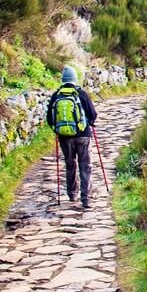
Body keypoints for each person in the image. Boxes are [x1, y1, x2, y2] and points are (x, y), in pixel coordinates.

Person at [46, 66, 98, 208]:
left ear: (63, 80)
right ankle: (86, 198)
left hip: (64, 137)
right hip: (83, 136)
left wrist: (59, 130)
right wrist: (90, 122)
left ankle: (72, 194)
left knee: (70, 164)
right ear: (75, 79)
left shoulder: (57, 95)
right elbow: (93, 114)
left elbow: (50, 119)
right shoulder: (81, 94)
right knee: (85, 166)